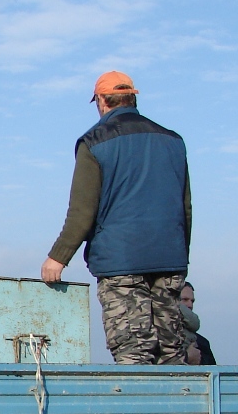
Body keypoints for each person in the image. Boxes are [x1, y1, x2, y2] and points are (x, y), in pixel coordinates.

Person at [41, 71, 191, 364]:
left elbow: (83, 210)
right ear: (132, 98)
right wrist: (179, 253)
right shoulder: (173, 141)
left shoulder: (94, 142)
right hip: (170, 259)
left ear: (101, 100)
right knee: (171, 352)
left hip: (121, 262)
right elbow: (184, 207)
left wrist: (58, 257)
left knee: (134, 352)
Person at [179, 281, 217, 365]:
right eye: (185, 299)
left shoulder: (202, 343)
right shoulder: (156, 332)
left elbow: (211, 370)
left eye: (192, 301)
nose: (190, 305)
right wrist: (186, 357)